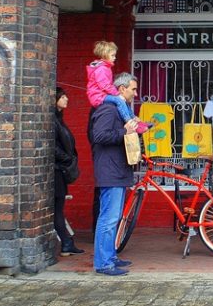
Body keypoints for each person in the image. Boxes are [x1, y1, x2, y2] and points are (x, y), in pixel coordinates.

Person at [90, 72, 140, 276]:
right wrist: (125, 132)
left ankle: (110, 257)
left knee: (114, 218)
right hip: (110, 171)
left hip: (117, 170)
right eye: (133, 89)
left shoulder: (120, 110)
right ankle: (103, 263)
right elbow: (99, 135)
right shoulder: (108, 110)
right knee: (108, 219)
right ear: (122, 89)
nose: (135, 94)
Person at [86, 40, 151, 134]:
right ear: (105, 55)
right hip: (98, 96)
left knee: (123, 101)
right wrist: (117, 94)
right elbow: (105, 86)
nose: (115, 58)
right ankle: (130, 122)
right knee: (119, 100)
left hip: (101, 94)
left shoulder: (105, 68)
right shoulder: (102, 69)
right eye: (112, 55)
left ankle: (135, 120)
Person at [53, 87, 84, 257]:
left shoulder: (59, 119)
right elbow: (53, 147)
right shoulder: (52, 120)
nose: (66, 99)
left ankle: (66, 242)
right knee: (57, 207)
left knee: (59, 206)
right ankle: (65, 242)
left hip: (61, 169)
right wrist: (68, 159)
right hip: (57, 170)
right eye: (62, 97)